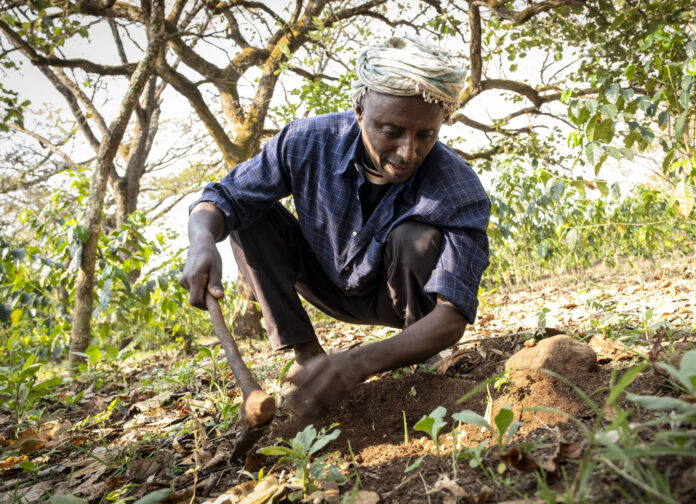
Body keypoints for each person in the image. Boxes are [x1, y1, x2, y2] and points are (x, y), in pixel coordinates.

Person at [180, 35, 490, 421]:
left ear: (442, 122)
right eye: (391, 130)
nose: (408, 152)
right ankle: (307, 355)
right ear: (360, 110)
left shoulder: (457, 189)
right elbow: (223, 197)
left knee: (417, 237)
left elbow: (452, 314)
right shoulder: (307, 142)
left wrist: (359, 362)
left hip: (396, 298)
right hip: (321, 280)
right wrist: (202, 238)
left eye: (425, 134)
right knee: (250, 212)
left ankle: (421, 356)